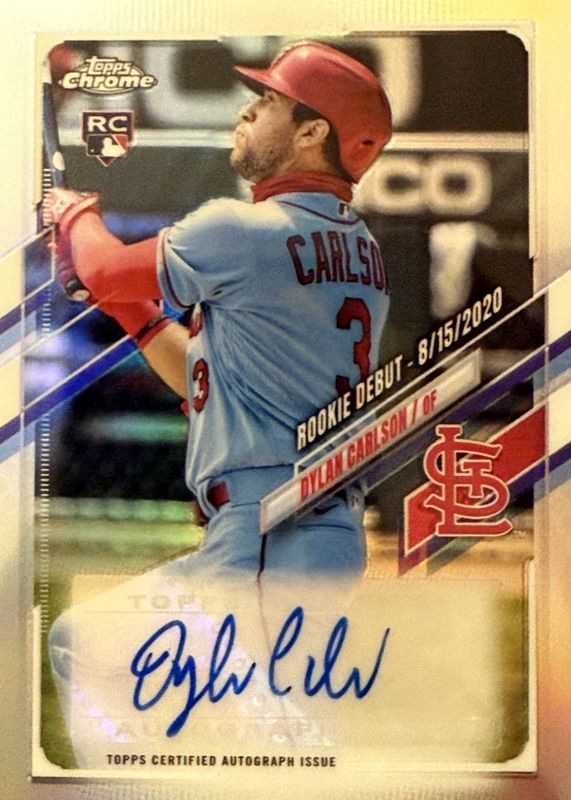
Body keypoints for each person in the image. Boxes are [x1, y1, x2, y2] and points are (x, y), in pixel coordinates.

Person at [45, 41, 393, 583]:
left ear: (311, 133)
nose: (247, 111)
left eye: (270, 102)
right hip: (312, 529)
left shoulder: (245, 229)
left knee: (87, 631)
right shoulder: (359, 245)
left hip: (268, 524)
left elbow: (106, 268)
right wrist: (122, 304)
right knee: (90, 629)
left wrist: (74, 216)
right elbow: (201, 379)